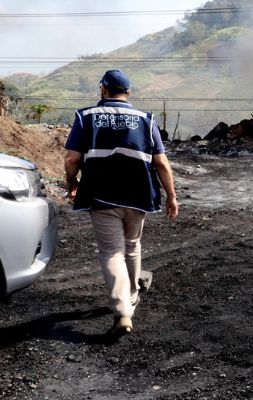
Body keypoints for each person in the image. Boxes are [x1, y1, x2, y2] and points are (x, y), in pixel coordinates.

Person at [64, 69, 178, 338]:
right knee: (131, 245)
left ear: (103, 89)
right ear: (128, 93)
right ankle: (133, 295)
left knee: (111, 252)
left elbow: (71, 159)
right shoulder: (146, 119)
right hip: (139, 195)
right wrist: (172, 196)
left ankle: (122, 309)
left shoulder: (86, 116)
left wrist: (72, 180)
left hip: (102, 195)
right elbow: (161, 162)